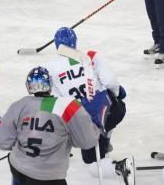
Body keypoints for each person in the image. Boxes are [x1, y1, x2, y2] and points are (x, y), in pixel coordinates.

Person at [0, 66, 101, 185]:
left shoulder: (19, 105)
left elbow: (3, 142)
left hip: (19, 169)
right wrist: (94, 124)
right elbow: (87, 141)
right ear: (50, 83)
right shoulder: (68, 106)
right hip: (50, 177)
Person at [44, 27, 126, 178]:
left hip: (81, 122)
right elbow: (110, 82)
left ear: (56, 45)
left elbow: (52, 102)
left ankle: (121, 165)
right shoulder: (91, 56)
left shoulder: (48, 67)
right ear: (75, 42)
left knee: (94, 167)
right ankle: (105, 138)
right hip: (109, 113)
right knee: (116, 106)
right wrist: (118, 93)